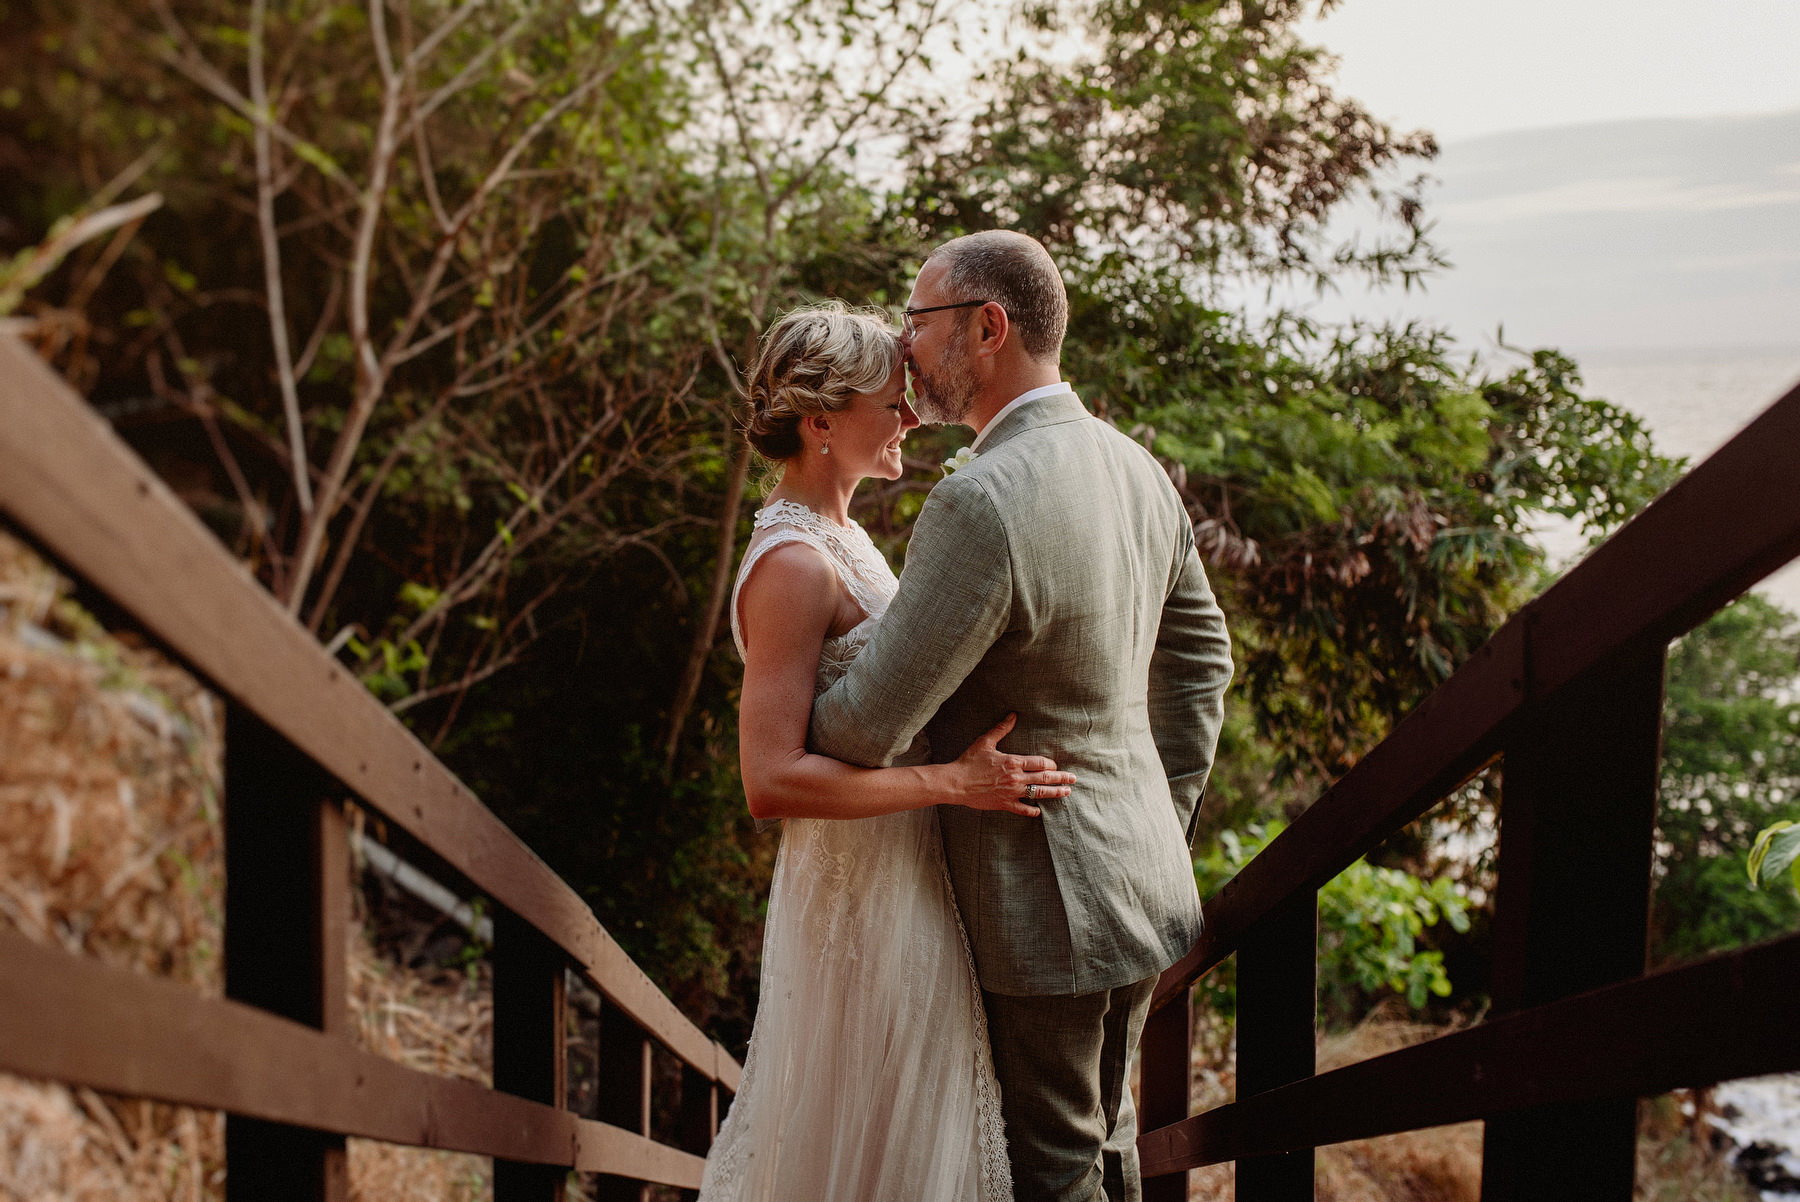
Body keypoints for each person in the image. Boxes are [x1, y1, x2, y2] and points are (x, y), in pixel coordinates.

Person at [809, 231, 1235, 1202]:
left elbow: (865, 728)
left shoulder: (980, 501)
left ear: (986, 326)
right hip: (1143, 878)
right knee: (1111, 1142)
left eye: (918, 321)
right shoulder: (1136, 468)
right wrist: (1156, 814)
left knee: (1050, 1171)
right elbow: (1202, 660)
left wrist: (797, 691)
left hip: (1042, 898)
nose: (905, 346)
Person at [698, 301, 1074, 1202]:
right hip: (857, 893)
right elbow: (768, 779)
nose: (910, 415)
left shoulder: (846, 535)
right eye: (891, 401)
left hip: (902, 872)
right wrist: (952, 781)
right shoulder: (793, 563)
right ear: (821, 422)